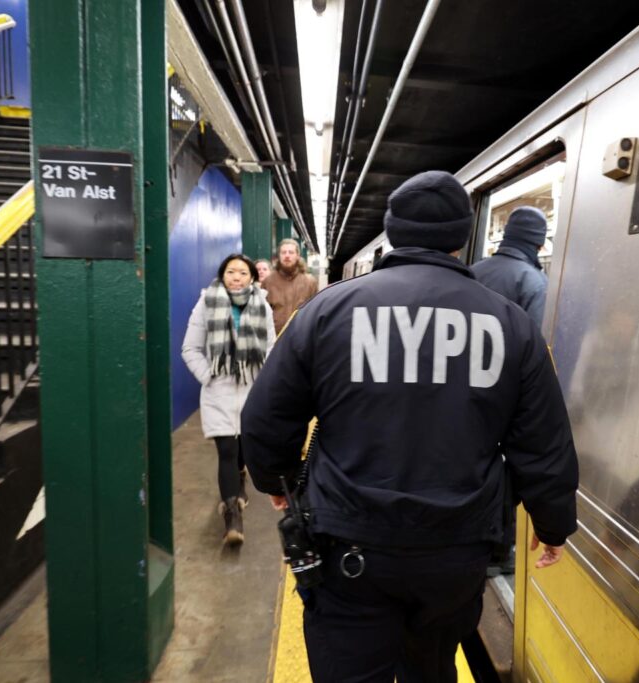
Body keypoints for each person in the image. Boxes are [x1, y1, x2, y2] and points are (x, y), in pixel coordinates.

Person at [242, 171, 578, 682]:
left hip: (349, 547)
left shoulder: (328, 311)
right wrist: (553, 523)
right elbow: (543, 443)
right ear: (463, 236)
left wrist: (278, 481)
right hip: (456, 550)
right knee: (433, 666)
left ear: (392, 231)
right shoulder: (512, 325)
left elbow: (266, 418)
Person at [470, 206, 550, 576]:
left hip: (462, 391)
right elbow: (535, 347)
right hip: (503, 395)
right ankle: (496, 553)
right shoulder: (533, 282)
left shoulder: (473, 272)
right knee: (503, 473)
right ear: (537, 242)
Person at [182, 253, 276, 546]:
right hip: (219, 391)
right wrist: (209, 376)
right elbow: (190, 348)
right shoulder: (206, 304)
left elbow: (271, 348)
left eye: (243, 273)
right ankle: (232, 515)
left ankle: (241, 476)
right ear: (222, 275)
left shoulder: (262, 306)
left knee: (243, 449)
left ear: (252, 278)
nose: (236, 277)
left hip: (252, 390)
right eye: (231, 272)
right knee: (226, 450)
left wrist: (263, 382)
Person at [471, 206, 549, 327]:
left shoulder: (473, 270)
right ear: (539, 244)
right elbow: (537, 338)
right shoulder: (536, 283)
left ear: (507, 235)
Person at [261, 238, 318, 334]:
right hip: (275, 338)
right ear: (279, 256)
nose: (287, 256)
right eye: (283, 252)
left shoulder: (310, 282)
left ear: (297, 256)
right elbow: (261, 313)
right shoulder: (268, 282)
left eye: (291, 252)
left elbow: (314, 312)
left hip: (301, 337)